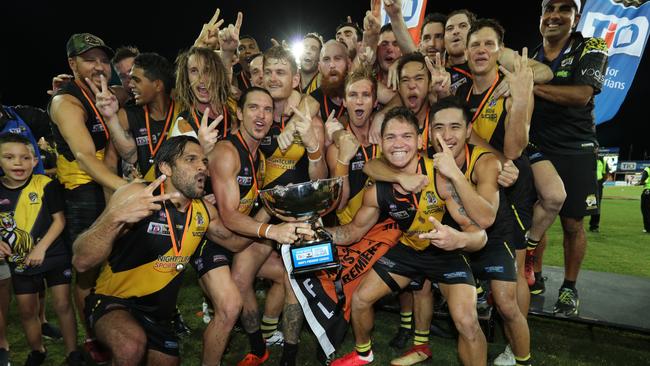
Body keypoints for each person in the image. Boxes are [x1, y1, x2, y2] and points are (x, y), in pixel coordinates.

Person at [72, 136, 312, 366]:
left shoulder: (204, 212)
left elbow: (235, 243)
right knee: (130, 346)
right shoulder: (137, 195)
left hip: (157, 316)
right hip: (114, 301)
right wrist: (114, 218)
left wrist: (270, 220)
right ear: (165, 167)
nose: (202, 168)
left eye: (204, 161)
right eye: (191, 160)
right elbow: (81, 260)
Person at [329, 107, 488, 366]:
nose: (398, 144)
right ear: (381, 142)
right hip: (408, 249)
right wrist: (317, 231)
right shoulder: (377, 190)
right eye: (391, 137)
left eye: (406, 136)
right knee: (360, 300)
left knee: (467, 321)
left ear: (419, 140)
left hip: (445, 251)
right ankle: (363, 353)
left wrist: (458, 240)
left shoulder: (440, 177)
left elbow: (479, 234)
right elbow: (352, 232)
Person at [198, 87, 301, 365]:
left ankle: (265, 347)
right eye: (254, 108)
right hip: (213, 239)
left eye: (268, 110)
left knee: (287, 275)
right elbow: (230, 216)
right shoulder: (227, 152)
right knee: (230, 307)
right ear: (240, 113)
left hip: (240, 235)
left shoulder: (259, 154)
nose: (261, 115)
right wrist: (271, 229)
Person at [48, 32, 129, 362]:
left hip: (110, 183)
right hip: (82, 192)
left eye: (102, 59)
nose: (98, 66)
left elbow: (150, 82)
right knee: (87, 269)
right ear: (72, 64)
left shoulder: (111, 93)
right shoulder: (65, 101)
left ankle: (119, 320)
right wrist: (124, 189)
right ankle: (93, 335)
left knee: (119, 261)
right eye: (88, 59)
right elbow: (83, 155)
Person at [528, 0, 608, 317]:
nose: (554, 15)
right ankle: (534, 276)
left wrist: (530, 86)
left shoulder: (591, 45)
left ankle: (569, 288)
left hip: (576, 147)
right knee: (538, 219)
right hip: (537, 148)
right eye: (548, 8)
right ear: (541, 16)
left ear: (575, 18)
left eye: (564, 8)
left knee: (572, 223)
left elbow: (581, 95)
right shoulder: (533, 56)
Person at [0, 134, 81, 365]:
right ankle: (37, 351)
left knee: (63, 304)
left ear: (35, 161)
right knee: (27, 310)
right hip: (20, 261)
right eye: (9, 157)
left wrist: (41, 249)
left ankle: (72, 352)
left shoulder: (46, 184)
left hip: (54, 255)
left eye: (25, 157)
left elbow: (59, 221)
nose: (18, 163)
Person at [589, 155, 606, 232]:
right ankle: (577, 224)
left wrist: (600, 182)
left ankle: (594, 226)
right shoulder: (586, 158)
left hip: (598, 184)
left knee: (596, 205)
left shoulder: (602, 160)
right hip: (588, 183)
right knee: (589, 204)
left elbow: (605, 173)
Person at [640, 165, 650, 233]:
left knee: (645, 210)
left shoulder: (647, 169)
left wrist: (640, 182)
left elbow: (642, 180)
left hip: (648, 191)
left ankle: (647, 228)